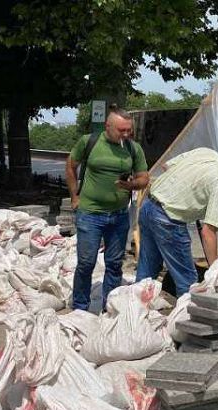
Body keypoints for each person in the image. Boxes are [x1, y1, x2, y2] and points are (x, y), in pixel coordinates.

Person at [136, 148, 218, 296]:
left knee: (147, 271)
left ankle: (134, 310)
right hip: (168, 220)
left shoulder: (206, 153)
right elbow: (208, 232)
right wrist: (215, 270)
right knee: (189, 283)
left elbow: (167, 166)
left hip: (149, 207)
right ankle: (186, 316)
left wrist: (190, 193)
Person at [65, 106, 149, 311]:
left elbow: (144, 178)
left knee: (114, 264)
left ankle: (109, 307)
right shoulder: (89, 142)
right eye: (122, 130)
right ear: (107, 126)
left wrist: (131, 185)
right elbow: (70, 165)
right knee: (86, 263)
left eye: (129, 130)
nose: (126, 134)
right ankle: (80, 308)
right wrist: (74, 197)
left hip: (119, 216)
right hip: (90, 214)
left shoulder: (132, 148)